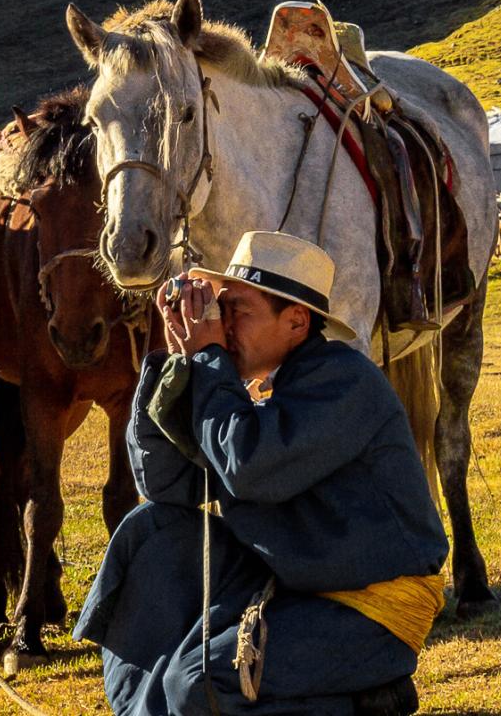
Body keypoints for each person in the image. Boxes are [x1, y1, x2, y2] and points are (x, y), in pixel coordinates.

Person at [73, 231, 449, 716]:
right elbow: (163, 483)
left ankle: (362, 703)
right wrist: (180, 364)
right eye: (219, 309)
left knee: (199, 685)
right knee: (152, 532)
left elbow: (249, 467)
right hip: (295, 581)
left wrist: (209, 360)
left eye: (237, 312)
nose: (221, 326)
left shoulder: (345, 380)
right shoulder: (254, 390)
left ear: (296, 321)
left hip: (367, 610)